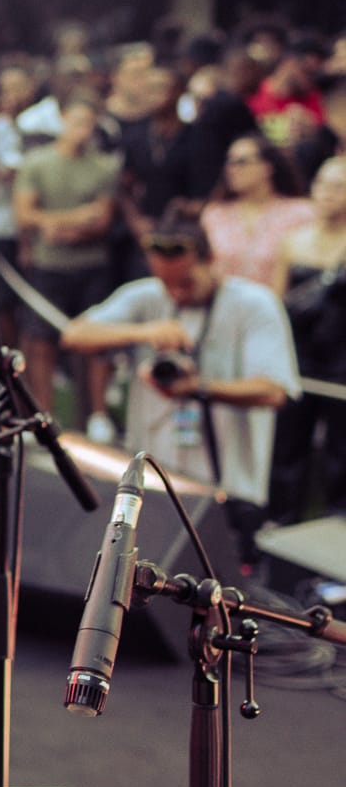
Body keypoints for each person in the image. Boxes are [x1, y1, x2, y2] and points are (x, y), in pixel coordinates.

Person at [61, 211, 299, 553]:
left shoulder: (254, 304)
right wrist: (143, 331)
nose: (176, 294)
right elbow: (74, 335)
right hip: (156, 484)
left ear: (211, 260)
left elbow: (274, 391)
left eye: (186, 283)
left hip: (229, 490)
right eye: (166, 283)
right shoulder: (147, 297)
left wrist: (198, 388)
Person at [14, 93, 121, 442]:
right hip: (49, 266)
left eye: (89, 123)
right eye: (76, 121)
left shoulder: (103, 166)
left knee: (96, 342)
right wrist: (77, 217)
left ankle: (98, 414)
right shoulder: (37, 163)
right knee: (40, 342)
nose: (82, 130)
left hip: (91, 264)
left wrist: (55, 223)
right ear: (62, 120)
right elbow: (25, 215)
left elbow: (102, 219)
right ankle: (41, 415)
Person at [268, 156, 346, 524]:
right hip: (298, 357)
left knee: (340, 451)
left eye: (338, 186)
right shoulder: (294, 241)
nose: (328, 193)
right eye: (322, 183)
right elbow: (276, 303)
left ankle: (336, 526)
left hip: (341, 363)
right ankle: (281, 523)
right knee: (287, 448)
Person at [200, 132, 313, 291]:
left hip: (280, 301)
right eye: (229, 162)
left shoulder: (300, 213)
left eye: (241, 162)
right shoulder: (215, 214)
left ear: (267, 167)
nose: (231, 169)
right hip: (225, 302)